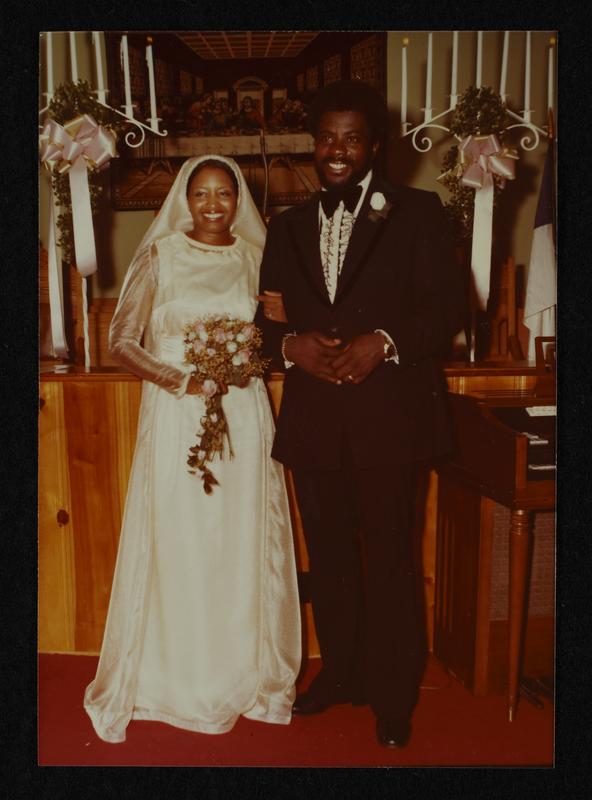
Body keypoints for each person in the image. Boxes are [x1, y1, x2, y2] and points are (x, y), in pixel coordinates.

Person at [255, 80, 466, 749]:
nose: (337, 150)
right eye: (326, 138)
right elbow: (263, 323)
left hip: (391, 421)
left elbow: (449, 308)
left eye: (351, 138)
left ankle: (394, 696)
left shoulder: (418, 211)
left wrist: (385, 342)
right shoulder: (286, 227)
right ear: (313, 145)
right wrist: (290, 346)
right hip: (315, 422)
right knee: (331, 560)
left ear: (374, 145)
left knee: (391, 561)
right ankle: (342, 673)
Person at [84, 155, 301, 743]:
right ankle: (173, 675)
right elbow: (121, 341)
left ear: (239, 199)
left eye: (223, 193)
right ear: (184, 198)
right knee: (181, 536)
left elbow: (279, 334)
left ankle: (244, 673)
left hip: (244, 413)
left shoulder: (256, 257)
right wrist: (183, 379)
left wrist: (243, 362)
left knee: (239, 537)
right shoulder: (161, 255)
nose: (212, 204)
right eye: (200, 193)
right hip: (177, 413)